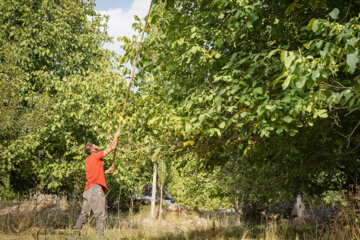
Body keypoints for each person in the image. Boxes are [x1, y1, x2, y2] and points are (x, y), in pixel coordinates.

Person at [74, 130, 121, 240]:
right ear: (92, 150)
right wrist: (116, 136)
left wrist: (106, 172)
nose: (97, 146)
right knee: (100, 215)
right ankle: (101, 238)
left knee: (84, 214)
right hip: (95, 190)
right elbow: (113, 147)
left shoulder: (88, 160)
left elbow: (93, 175)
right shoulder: (96, 156)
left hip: (88, 190)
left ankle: (76, 236)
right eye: (95, 146)